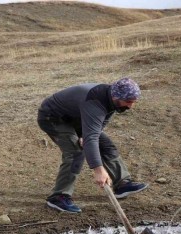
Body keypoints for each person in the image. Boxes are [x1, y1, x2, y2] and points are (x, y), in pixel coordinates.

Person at [37, 77, 149, 213]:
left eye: (133, 102)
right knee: (75, 153)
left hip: (77, 117)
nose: (130, 106)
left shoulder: (112, 98)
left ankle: (122, 184)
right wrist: (99, 171)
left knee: (106, 145)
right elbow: (91, 139)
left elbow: (102, 121)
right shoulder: (95, 102)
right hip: (52, 117)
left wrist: (85, 135)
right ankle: (58, 197)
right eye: (128, 102)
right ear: (116, 97)